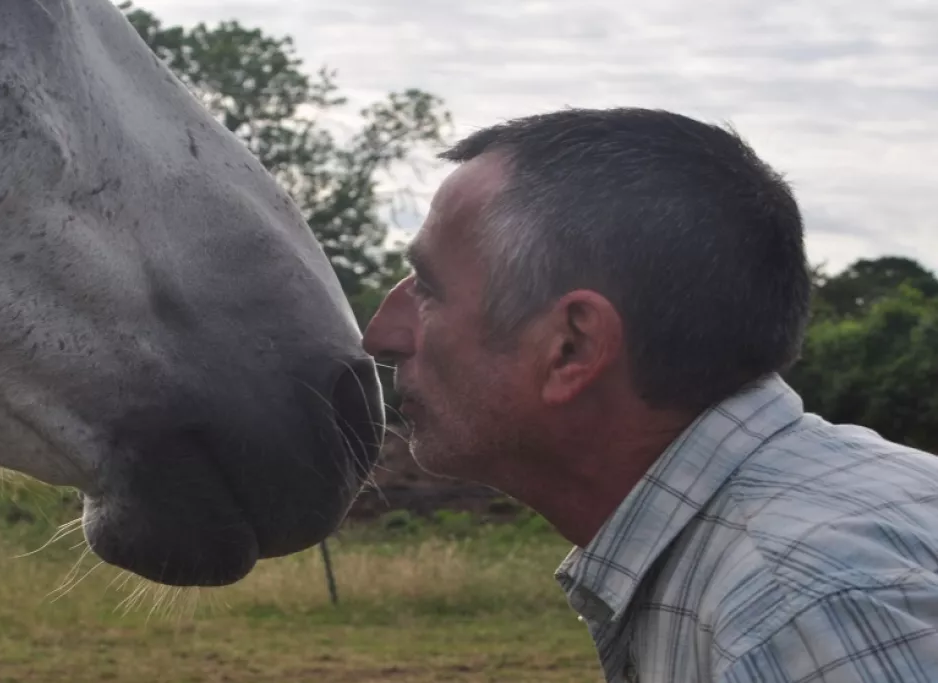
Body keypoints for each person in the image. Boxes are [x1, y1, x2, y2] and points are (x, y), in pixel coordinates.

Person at [361, 107, 938, 683]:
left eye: (428, 290)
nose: (380, 335)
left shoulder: (801, 615)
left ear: (570, 348)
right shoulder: (781, 556)